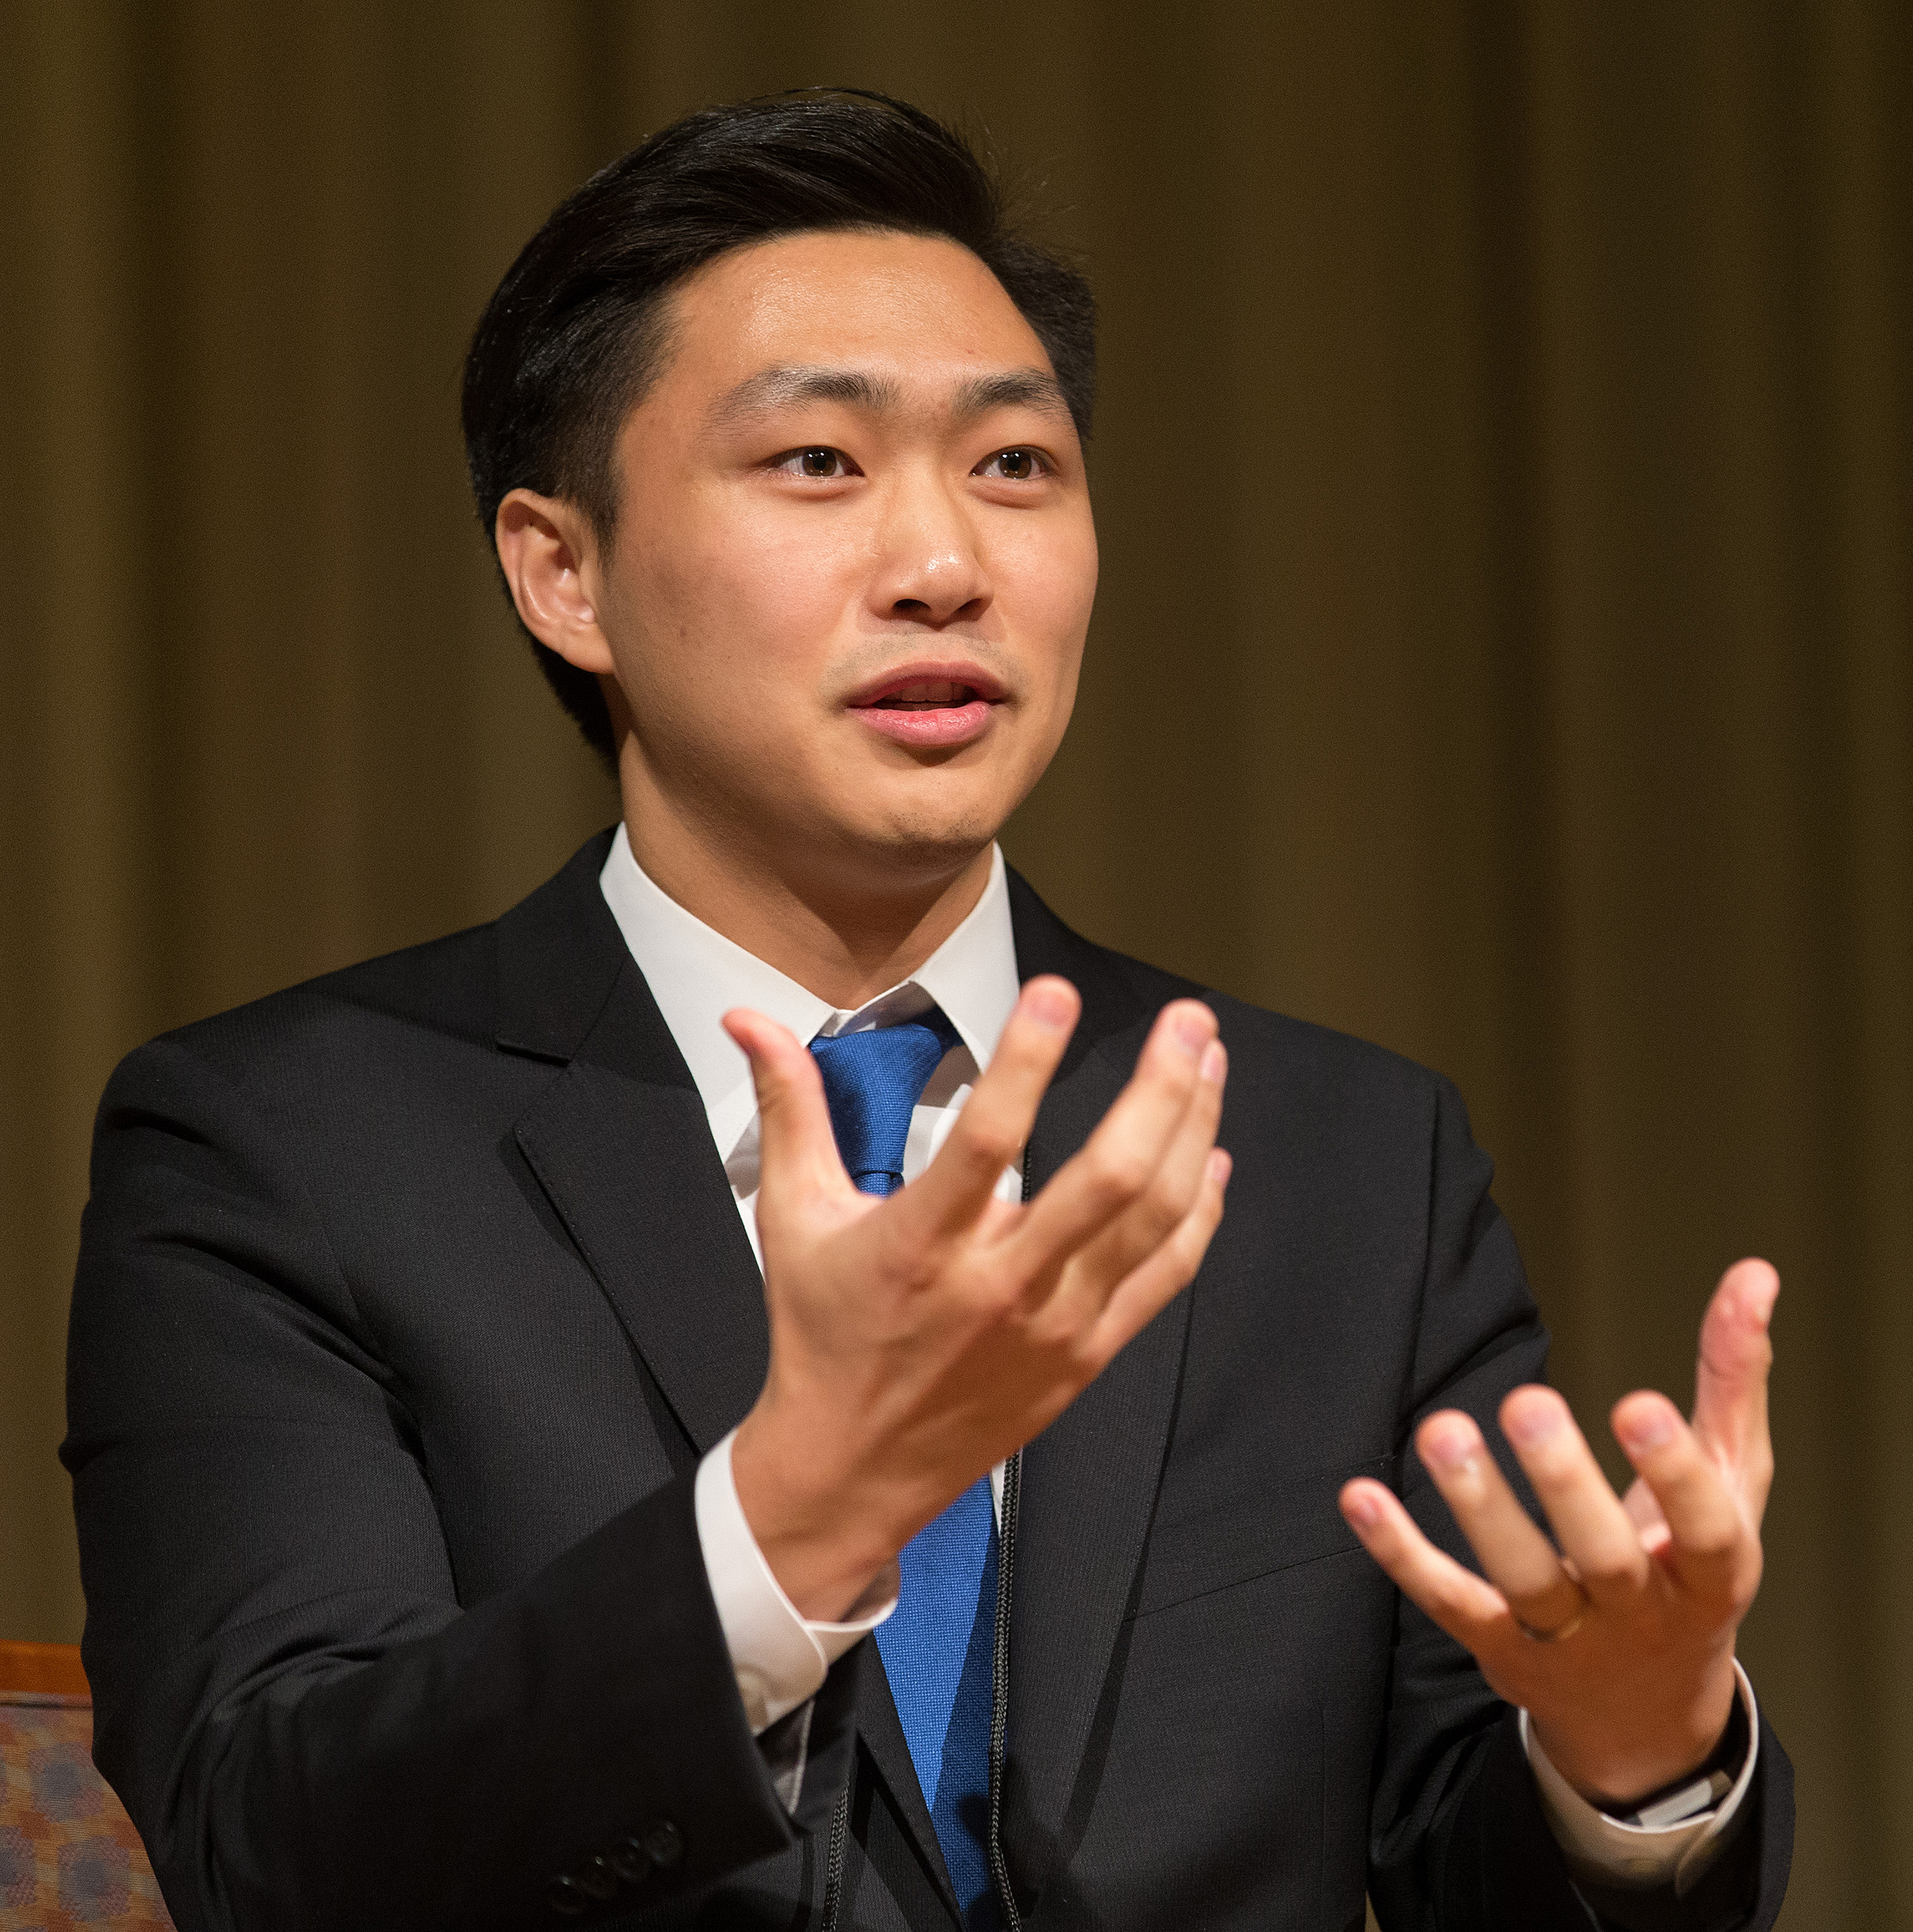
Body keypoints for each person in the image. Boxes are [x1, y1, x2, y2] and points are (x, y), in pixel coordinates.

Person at [65, 92, 1792, 1931]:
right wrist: (790, 1520)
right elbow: (272, 1848)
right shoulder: (287, 1145)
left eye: (1015, 466)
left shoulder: (1337, 1155)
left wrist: (1633, 1757)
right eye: (817, 462)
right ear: (562, 573)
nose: (946, 563)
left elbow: (1479, 1878)